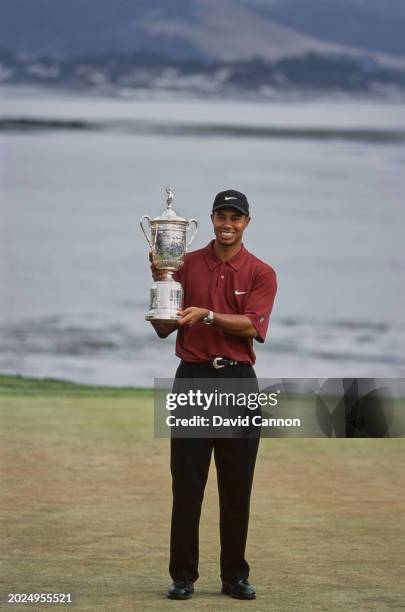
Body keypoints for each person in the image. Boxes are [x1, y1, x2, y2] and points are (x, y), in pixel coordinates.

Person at [150, 189, 277, 600]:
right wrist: (163, 285)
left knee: (237, 486)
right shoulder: (185, 265)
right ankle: (183, 576)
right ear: (211, 219)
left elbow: (253, 327)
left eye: (235, 217)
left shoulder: (261, 272)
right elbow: (164, 329)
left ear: (246, 223)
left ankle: (234, 576)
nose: (227, 223)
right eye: (221, 216)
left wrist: (206, 315)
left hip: (239, 381)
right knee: (186, 484)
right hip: (192, 379)